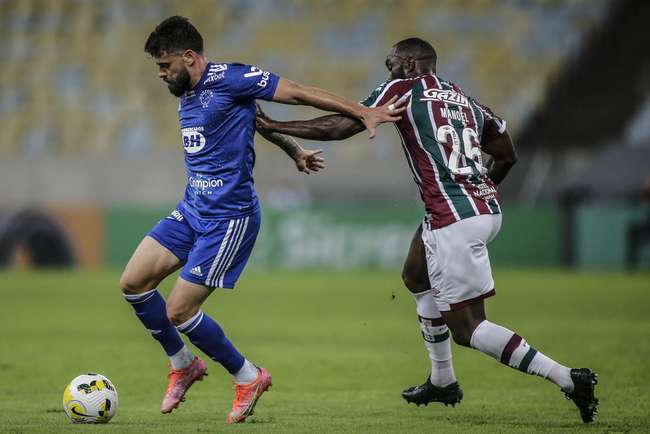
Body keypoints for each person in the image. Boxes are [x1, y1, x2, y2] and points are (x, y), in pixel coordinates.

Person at [255, 37, 599, 423]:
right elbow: (507, 153)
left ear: (410, 64)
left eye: (391, 64)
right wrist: (476, 191)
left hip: (455, 219)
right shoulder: (465, 100)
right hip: (477, 209)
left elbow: (340, 125)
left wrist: (273, 125)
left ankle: (569, 379)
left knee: (469, 330)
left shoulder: (402, 89)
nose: (388, 72)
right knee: (415, 275)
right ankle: (442, 380)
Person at [119, 16, 403, 424]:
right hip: (192, 208)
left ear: (189, 56)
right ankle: (183, 364)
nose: (162, 74)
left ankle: (247, 376)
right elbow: (257, 122)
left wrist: (363, 112)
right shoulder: (188, 90)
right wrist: (294, 151)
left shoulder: (232, 78)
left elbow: (299, 93)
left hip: (229, 218)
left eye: (165, 65)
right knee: (133, 283)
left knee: (179, 311)